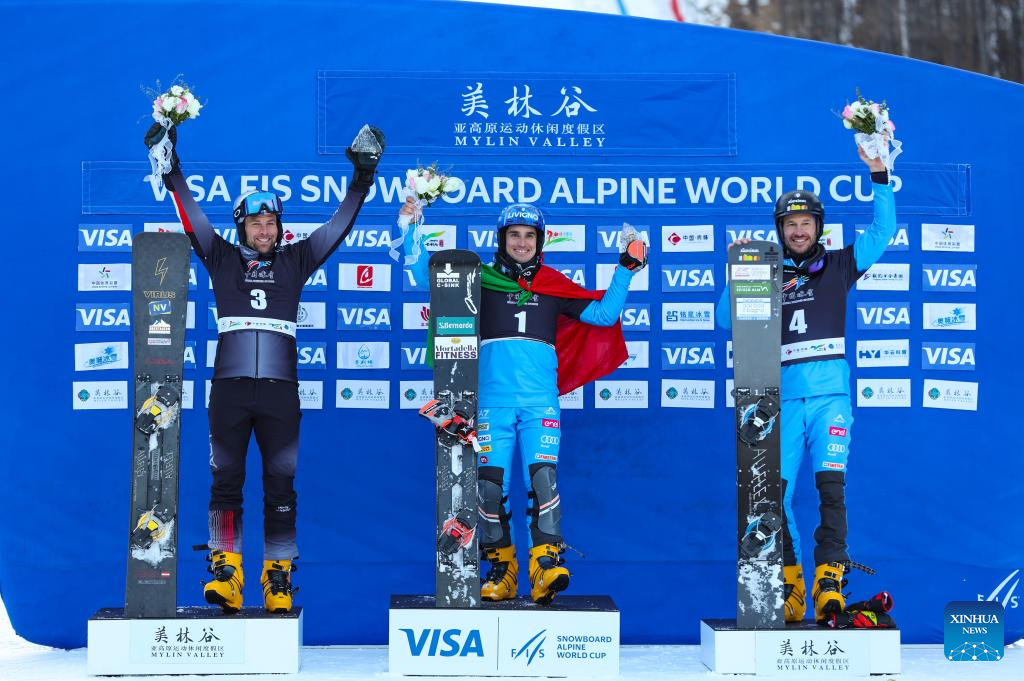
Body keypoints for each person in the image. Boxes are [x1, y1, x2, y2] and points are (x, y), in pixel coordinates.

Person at [144, 123, 386, 613]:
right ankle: (226, 573)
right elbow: (191, 215)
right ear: (242, 228)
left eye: (271, 223)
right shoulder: (220, 257)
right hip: (229, 391)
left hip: (279, 392)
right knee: (225, 483)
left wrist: (361, 179)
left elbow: (337, 227)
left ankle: (277, 577)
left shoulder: (297, 260)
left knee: (280, 486)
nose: (264, 231)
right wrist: (172, 170)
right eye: (256, 223)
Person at [400, 199, 649, 604]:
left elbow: (604, 315)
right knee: (488, 488)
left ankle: (544, 565)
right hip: (491, 403)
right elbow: (425, 276)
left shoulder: (552, 283)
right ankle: (502, 569)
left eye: (529, 235)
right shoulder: (479, 279)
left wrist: (625, 269)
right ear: (501, 239)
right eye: (514, 235)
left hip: (539, 404)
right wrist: (411, 227)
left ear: (539, 241)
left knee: (543, 480)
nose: (521, 242)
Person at [715, 144, 896, 623]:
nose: (798, 231)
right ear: (780, 230)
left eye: (806, 223)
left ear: (819, 227)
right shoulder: (766, 274)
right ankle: (791, 586)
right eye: (790, 224)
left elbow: (884, 231)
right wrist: (739, 269)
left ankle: (828, 583)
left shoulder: (840, 265)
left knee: (831, 490)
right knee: (772, 496)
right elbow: (724, 320)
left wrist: (879, 174)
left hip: (830, 399)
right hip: (783, 402)